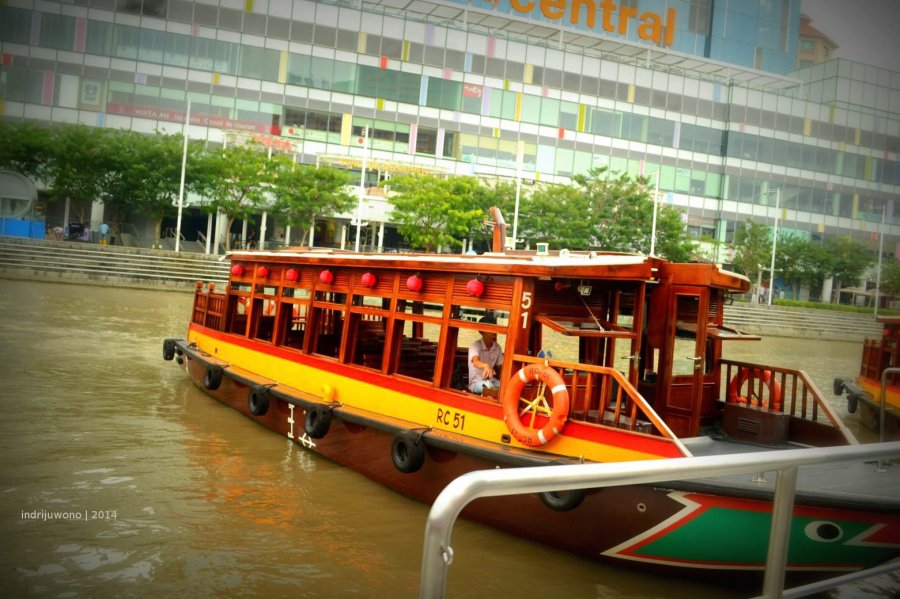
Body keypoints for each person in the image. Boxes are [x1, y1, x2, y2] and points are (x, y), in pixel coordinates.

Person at [468, 314, 504, 395]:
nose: (495, 330)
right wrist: (486, 365)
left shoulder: (497, 347)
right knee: (490, 387)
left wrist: (505, 381)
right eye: (491, 328)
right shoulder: (475, 346)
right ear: (483, 331)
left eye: (495, 328)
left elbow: (499, 369)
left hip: (491, 380)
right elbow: (475, 361)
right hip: (476, 383)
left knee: (505, 387)